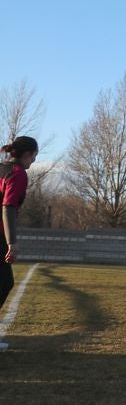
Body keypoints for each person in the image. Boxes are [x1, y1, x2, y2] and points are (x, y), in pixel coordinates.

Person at [1, 136, 38, 336]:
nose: (33, 161)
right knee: (5, 282)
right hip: (1, 233)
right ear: (27, 154)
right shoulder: (18, 173)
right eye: (34, 156)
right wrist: (11, 242)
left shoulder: (2, 167)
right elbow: (7, 207)